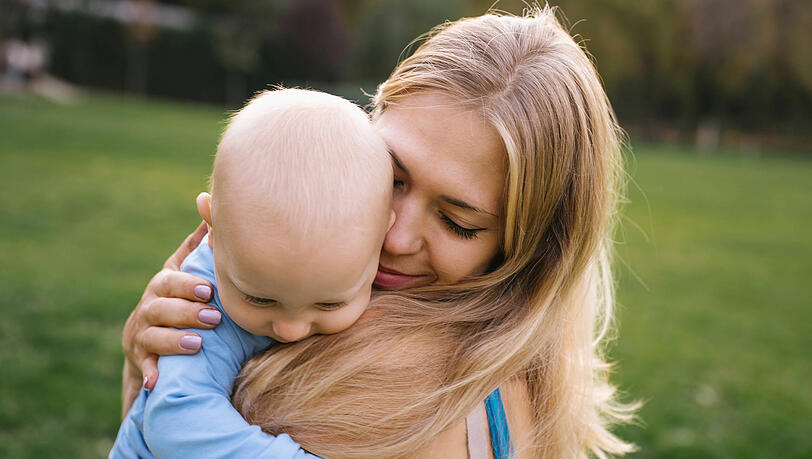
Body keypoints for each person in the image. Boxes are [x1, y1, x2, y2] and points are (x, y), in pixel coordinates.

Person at [120, 6, 637, 458]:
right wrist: (142, 364)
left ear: (526, 253)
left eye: (457, 222)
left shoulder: (400, 393)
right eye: (392, 178)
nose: (395, 237)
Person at [111, 88, 393, 458]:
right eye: (260, 298)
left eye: (329, 303)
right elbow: (172, 421)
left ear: (382, 238)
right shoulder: (197, 304)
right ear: (213, 227)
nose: (290, 329)